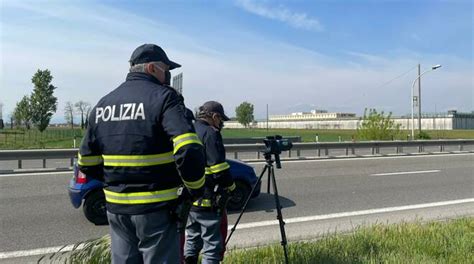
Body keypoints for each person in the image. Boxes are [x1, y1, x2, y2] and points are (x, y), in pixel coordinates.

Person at [78, 43, 206, 264]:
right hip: (157, 208)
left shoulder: (103, 104)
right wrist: (194, 188)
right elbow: (189, 148)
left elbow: (86, 160)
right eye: (167, 70)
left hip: (116, 208)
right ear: (152, 68)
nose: (168, 75)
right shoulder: (165, 98)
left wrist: (117, 182)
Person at [183, 101, 236, 264]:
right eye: (221, 120)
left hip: (190, 201)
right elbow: (219, 169)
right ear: (214, 116)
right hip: (209, 201)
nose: (221, 124)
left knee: (191, 240)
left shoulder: (188, 130)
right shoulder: (211, 134)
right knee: (212, 248)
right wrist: (231, 187)